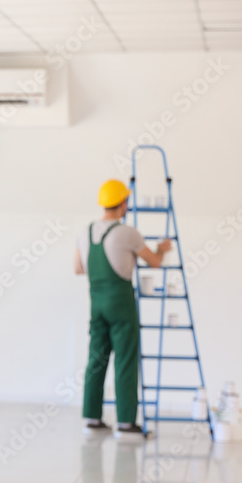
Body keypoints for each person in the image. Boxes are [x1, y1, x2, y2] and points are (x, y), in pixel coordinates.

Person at [74, 179, 171, 437]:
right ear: (124, 204)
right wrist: (162, 249)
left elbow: (78, 268)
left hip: (96, 305)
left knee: (96, 359)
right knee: (125, 360)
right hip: (121, 305)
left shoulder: (85, 232)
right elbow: (154, 263)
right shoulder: (128, 232)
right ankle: (126, 423)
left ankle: (92, 418)